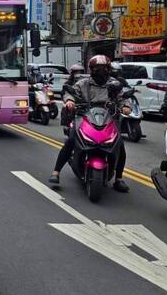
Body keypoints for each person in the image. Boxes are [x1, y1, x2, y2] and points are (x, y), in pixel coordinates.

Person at [48, 55, 131, 192]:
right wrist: (70, 101)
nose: (101, 71)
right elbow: (70, 93)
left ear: (109, 69)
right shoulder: (83, 83)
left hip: (108, 118)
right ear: (91, 69)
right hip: (84, 116)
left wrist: (126, 106)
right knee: (71, 140)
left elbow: (122, 98)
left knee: (119, 145)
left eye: (104, 68)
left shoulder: (114, 84)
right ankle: (56, 172)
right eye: (97, 68)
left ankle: (118, 179)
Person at [59, 64, 85, 129]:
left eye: (80, 72)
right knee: (67, 107)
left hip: (85, 102)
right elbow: (64, 92)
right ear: (72, 73)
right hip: (74, 102)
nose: (78, 74)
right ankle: (67, 124)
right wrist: (68, 100)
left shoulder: (86, 83)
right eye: (76, 72)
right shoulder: (68, 82)